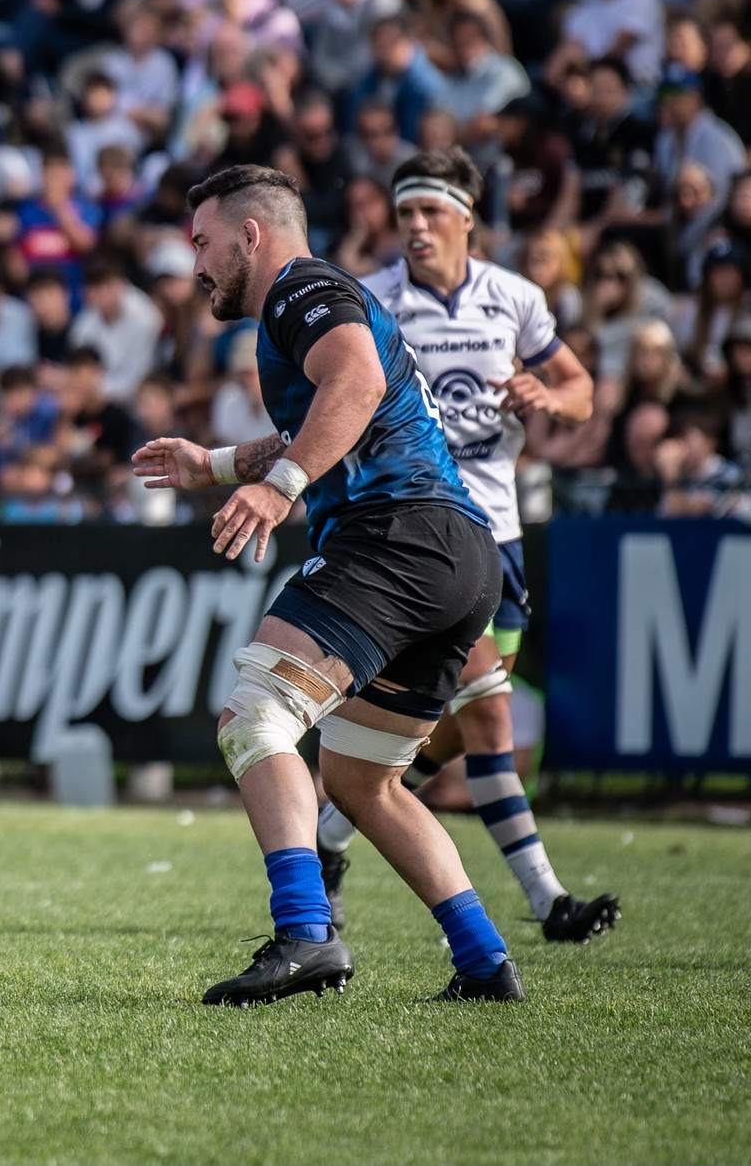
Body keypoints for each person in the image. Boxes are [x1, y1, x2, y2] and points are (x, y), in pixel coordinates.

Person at [131, 165, 522, 1004]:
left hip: (395, 538)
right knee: (361, 779)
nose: (194, 262)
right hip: (457, 553)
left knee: (255, 714)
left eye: (202, 241)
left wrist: (279, 486)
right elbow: (340, 413)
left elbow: (357, 384)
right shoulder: (317, 299)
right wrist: (220, 463)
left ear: (252, 235)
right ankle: (485, 959)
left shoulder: (300, 289)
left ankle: (306, 934)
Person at [314, 148, 620, 945]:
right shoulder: (371, 299)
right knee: (489, 720)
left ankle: (329, 833)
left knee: (441, 731)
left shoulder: (514, 297)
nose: (414, 226)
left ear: (466, 219)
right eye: (404, 212)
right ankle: (549, 900)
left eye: (430, 212)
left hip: (503, 536)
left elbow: (583, 388)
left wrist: (550, 394)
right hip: (422, 535)